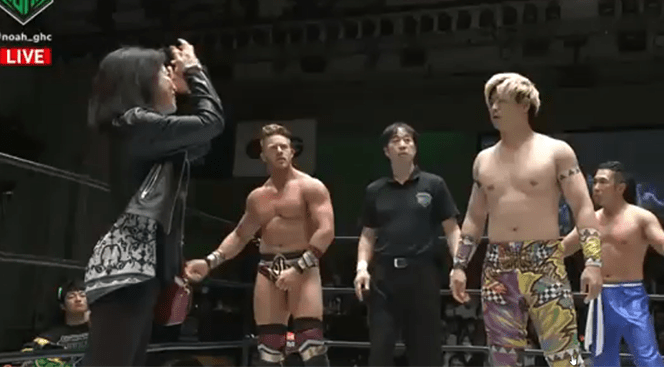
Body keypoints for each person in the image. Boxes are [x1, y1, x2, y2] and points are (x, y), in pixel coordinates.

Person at [84, 40, 224, 366]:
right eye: (164, 73)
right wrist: (195, 72)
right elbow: (211, 123)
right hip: (123, 271)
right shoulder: (133, 124)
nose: (173, 82)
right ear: (141, 81)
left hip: (137, 271)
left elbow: (201, 143)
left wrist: (186, 90)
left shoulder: (140, 131)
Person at [449, 73, 603, 367]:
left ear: (524, 105)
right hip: (498, 264)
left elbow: (583, 208)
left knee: (564, 355)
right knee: (502, 357)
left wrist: (593, 262)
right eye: (491, 102)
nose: (494, 108)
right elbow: (474, 217)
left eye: (502, 101)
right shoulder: (483, 160)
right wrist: (459, 265)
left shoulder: (556, 151)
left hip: (544, 260)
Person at [185, 124, 335, 367]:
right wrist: (209, 262)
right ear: (263, 155)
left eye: (284, 147)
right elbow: (240, 235)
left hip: (303, 265)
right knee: (268, 346)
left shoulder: (311, 187)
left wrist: (298, 268)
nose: (280, 151)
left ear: (292, 151)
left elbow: (326, 230)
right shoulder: (258, 197)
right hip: (268, 268)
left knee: (310, 342)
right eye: (273, 148)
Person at [562, 161, 664, 367]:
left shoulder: (641, 218)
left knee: (647, 357)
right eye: (594, 182)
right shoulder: (589, 221)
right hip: (600, 296)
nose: (596, 187)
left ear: (620, 188)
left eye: (602, 182)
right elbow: (563, 249)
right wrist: (532, 255)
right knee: (602, 358)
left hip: (631, 295)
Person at [353, 122, 461, 367]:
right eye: (395, 141)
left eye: (407, 140)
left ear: (415, 147)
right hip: (384, 278)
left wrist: (459, 265)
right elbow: (368, 234)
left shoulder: (434, 184)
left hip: (422, 275)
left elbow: (452, 229)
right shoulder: (375, 190)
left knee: (426, 353)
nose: (402, 145)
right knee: (379, 351)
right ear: (386, 150)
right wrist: (361, 268)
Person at [9, 280, 91, 367]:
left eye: (82, 295)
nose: (78, 299)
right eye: (71, 297)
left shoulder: (98, 330)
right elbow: (25, 356)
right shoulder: (50, 337)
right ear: (62, 306)